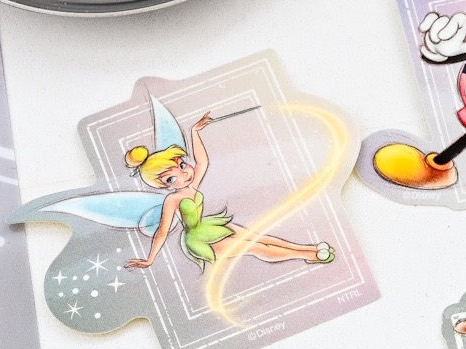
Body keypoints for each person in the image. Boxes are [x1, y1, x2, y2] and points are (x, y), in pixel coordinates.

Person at [123, 113, 334, 271]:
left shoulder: (192, 186)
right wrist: (150, 259)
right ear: (163, 185)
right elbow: (162, 231)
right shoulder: (173, 199)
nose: (184, 173)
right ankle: (307, 255)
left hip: (209, 226)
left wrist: (194, 132)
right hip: (199, 240)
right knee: (254, 247)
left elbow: (202, 161)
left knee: (258, 238)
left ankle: (309, 250)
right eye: (171, 178)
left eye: (182, 165)